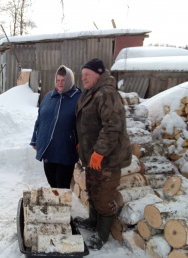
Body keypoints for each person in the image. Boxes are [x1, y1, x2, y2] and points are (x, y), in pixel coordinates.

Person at [73, 58, 132, 250]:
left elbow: (113, 127)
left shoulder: (107, 93)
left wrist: (99, 152)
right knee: (92, 189)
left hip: (108, 159)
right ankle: (92, 221)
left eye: (87, 75)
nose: (84, 78)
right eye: (82, 75)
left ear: (98, 73)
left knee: (104, 197)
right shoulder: (90, 93)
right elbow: (88, 123)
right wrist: (83, 144)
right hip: (92, 156)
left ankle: (102, 235)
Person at [30, 65, 81, 189]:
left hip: (66, 149)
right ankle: (57, 206)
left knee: (62, 186)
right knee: (52, 184)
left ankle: (63, 206)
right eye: (58, 80)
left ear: (69, 80)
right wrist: (35, 139)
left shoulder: (78, 98)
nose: (60, 83)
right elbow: (39, 120)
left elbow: (84, 123)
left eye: (63, 80)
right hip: (48, 148)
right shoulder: (49, 97)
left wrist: (81, 142)